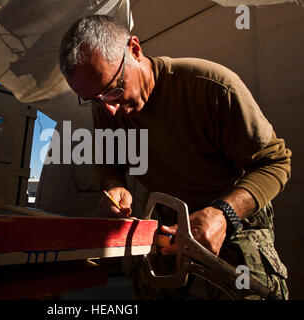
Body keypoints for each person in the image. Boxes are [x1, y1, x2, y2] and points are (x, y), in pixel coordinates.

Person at [59, 15, 291, 299]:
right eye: (94, 100)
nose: (108, 110)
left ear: (134, 49)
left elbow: (275, 162)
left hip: (234, 209)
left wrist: (223, 214)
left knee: (254, 292)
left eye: (113, 90)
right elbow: (110, 161)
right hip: (168, 213)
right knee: (152, 289)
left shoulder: (211, 87)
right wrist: (114, 185)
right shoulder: (107, 106)